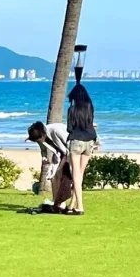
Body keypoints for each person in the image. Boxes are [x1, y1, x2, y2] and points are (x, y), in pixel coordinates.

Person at [65, 80, 98, 216]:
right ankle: (72, 205)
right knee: (80, 174)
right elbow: (91, 123)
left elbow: (69, 128)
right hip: (90, 141)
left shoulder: (72, 110)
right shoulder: (90, 106)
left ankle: (80, 206)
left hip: (77, 141)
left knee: (76, 174)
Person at [27, 120, 71, 211]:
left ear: (42, 135)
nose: (38, 142)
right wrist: (44, 157)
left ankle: (62, 202)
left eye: (38, 140)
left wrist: (64, 163)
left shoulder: (56, 130)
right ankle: (56, 201)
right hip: (59, 154)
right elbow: (43, 149)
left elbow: (69, 144)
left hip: (70, 152)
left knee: (63, 176)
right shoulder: (40, 136)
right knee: (53, 177)